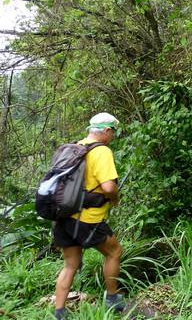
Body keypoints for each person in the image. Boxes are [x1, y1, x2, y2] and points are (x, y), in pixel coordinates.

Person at [51, 112, 125, 319]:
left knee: (70, 264)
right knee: (114, 252)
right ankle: (113, 299)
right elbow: (109, 187)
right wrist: (115, 199)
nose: (112, 137)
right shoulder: (101, 151)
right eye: (113, 132)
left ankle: (59, 312)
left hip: (64, 217)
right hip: (87, 219)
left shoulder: (74, 148)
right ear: (107, 130)